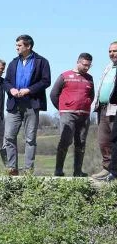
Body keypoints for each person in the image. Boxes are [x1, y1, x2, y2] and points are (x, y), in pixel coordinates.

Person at [3, 34, 52, 175]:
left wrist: (28, 90)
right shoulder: (13, 63)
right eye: (16, 45)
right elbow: (6, 82)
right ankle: (12, 168)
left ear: (28, 46)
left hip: (32, 104)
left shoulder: (41, 62)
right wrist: (11, 89)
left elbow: (45, 81)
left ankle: (28, 170)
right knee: (9, 137)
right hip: (14, 105)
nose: (16, 48)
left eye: (19, 45)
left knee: (30, 139)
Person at [49, 53, 94, 177]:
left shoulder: (90, 78)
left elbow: (91, 95)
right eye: (84, 65)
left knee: (81, 142)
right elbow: (53, 94)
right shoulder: (64, 76)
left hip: (84, 115)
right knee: (65, 140)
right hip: (68, 114)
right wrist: (62, 109)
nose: (86, 68)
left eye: (89, 66)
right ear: (78, 62)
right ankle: (58, 170)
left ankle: (77, 171)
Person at [91, 42, 117, 180]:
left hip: (115, 109)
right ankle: (107, 168)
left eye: (115, 51)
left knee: (115, 140)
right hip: (102, 108)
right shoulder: (108, 67)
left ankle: (115, 170)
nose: (112, 54)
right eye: (110, 51)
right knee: (103, 141)